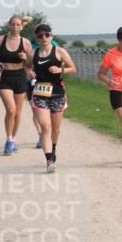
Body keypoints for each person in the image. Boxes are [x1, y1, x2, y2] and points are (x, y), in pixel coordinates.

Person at [28, 22, 77, 173]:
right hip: (40, 93)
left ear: (51, 36)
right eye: (40, 35)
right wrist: (29, 72)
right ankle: (49, 159)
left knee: (55, 129)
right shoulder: (33, 53)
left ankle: (53, 149)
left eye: (46, 34)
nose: (44, 37)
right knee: (45, 126)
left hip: (57, 94)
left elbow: (73, 69)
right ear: (36, 38)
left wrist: (60, 69)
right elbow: (27, 66)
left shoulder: (59, 51)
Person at [0, 14, 33, 154]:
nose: (15, 27)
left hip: (19, 76)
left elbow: (31, 63)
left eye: (17, 25)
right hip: (3, 77)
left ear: (21, 27)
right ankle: (8, 140)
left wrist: (26, 58)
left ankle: (13, 139)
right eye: (12, 24)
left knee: (18, 113)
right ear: (9, 25)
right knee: (11, 110)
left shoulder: (25, 43)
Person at [98, 26, 122, 136]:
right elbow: (100, 74)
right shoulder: (111, 54)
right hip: (117, 91)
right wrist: (109, 82)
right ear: (118, 40)